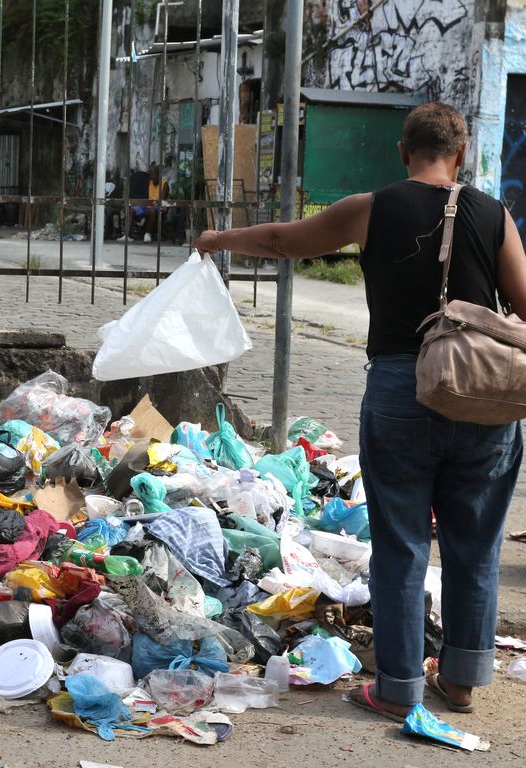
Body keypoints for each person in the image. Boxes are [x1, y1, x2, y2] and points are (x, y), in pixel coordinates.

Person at [195, 102, 526, 721]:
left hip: (403, 390)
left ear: (403, 153)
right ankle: (462, 679)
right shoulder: (494, 214)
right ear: (460, 155)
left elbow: (280, 240)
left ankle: (397, 686)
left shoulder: (372, 208)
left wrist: (218, 240)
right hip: (485, 395)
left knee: (401, 545)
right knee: (474, 544)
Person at [118, 163, 169, 243]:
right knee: (132, 210)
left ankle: (148, 234)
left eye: (154, 174)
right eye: (150, 175)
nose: (152, 177)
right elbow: (143, 196)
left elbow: (162, 200)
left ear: (158, 174)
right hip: (146, 206)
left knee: (152, 211)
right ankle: (127, 236)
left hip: (157, 207)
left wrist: (153, 206)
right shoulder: (149, 182)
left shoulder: (164, 184)